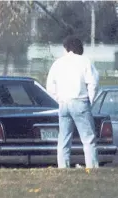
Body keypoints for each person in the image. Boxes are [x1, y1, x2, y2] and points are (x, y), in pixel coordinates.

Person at [46, 35, 99, 169]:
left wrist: (59, 99)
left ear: (67, 48)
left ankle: (63, 167)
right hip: (80, 101)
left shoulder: (58, 63)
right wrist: (89, 101)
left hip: (63, 103)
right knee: (88, 139)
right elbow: (93, 83)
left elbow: (50, 86)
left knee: (64, 139)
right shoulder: (84, 61)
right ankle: (92, 167)